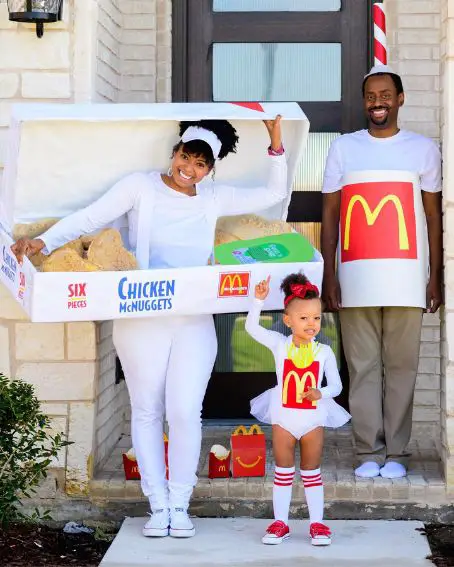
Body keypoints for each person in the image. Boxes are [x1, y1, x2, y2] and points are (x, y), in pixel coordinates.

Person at [11, 116, 286, 538]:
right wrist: (42, 243)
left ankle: (180, 503)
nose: (188, 168)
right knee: (146, 410)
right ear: (174, 153)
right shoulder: (140, 186)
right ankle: (158, 506)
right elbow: (89, 217)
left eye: (200, 163)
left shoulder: (212, 197)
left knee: (185, 412)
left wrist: (276, 145)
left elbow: (272, 192)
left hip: (193, 318)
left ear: (210, 170)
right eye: (184, 156)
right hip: (141, 314)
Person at [321, 65, 442, 479]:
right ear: (364, 101)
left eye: (386, 95)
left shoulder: (423, 150)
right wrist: (329, 276)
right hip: (355, 278)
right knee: (363, 366)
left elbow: (432, 217)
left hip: (407, 278)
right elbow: (331, 215)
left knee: (403, 364)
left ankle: (398, 454)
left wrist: (435, 275)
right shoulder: (343, 149)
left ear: (400, 99)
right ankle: (367, 452)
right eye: (371, 95)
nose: (378, 102)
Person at [245, 273, 350, 546]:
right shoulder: (280, 345)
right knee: (283, 471)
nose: (311, 323)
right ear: (287, 320)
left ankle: (317, 523)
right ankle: (281, 522)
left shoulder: (323, 352)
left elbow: (336, 386)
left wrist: (321, 392)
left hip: (312, 418)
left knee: (312, 471)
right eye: (303, 318)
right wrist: (257, 301)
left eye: (316, 317)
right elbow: (252, 330)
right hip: (284, 416)